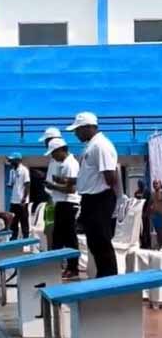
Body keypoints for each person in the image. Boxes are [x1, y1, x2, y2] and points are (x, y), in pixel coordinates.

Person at [67, 111, 118, 278]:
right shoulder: (91, 145)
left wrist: (98, 192)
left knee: (102, 241)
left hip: (100, 198)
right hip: (90, 199)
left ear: (88, 127)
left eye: (77, 130)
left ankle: (109, 278)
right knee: (94, 242)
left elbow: (110, 177)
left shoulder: (100, 146)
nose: (75, 134)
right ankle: (103, 274)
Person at [43, 137, 80, 279]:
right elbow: (66, 183)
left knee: (69, 237)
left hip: (69, 203)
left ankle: (73, 268)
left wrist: (53, 186)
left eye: (54, 153)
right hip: (61, 203)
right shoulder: (63, 163)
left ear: (61, 150)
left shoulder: (70, 164)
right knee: (58, 237)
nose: (53, 156)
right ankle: (55, 265)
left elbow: (71, 189)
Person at [6, 153, 30, 240]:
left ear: (18, 160)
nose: (10, 162)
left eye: (12, 160)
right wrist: (9, 185)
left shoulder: (24, 170)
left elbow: (27, 184)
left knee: (24, 221)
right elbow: (11, 184)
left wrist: (24, 198)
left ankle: (26, 238)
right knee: (13, 220)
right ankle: (14, 238)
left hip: (22, 201)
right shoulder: (12, 171)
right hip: (13, 200)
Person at [134, 180, 152, 250]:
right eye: (138, 184)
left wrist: (146, 213)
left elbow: (149, 203)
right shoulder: (136, 193)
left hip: (146, 214)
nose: (140, 185)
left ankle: (148, 245)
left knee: (146, 229)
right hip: (139, 214)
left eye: (141, 183)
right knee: (140, 230)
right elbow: (135, 202)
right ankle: (143, 244)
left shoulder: (147, 191)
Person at [150, 179, 162, 249]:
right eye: (154, 183)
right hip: (155, 216)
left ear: (160, 184)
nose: (155, 185)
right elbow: (151, 203)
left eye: (156, 183)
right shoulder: (153, 194)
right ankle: (160, 246)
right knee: (158, 232)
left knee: (160, 232)